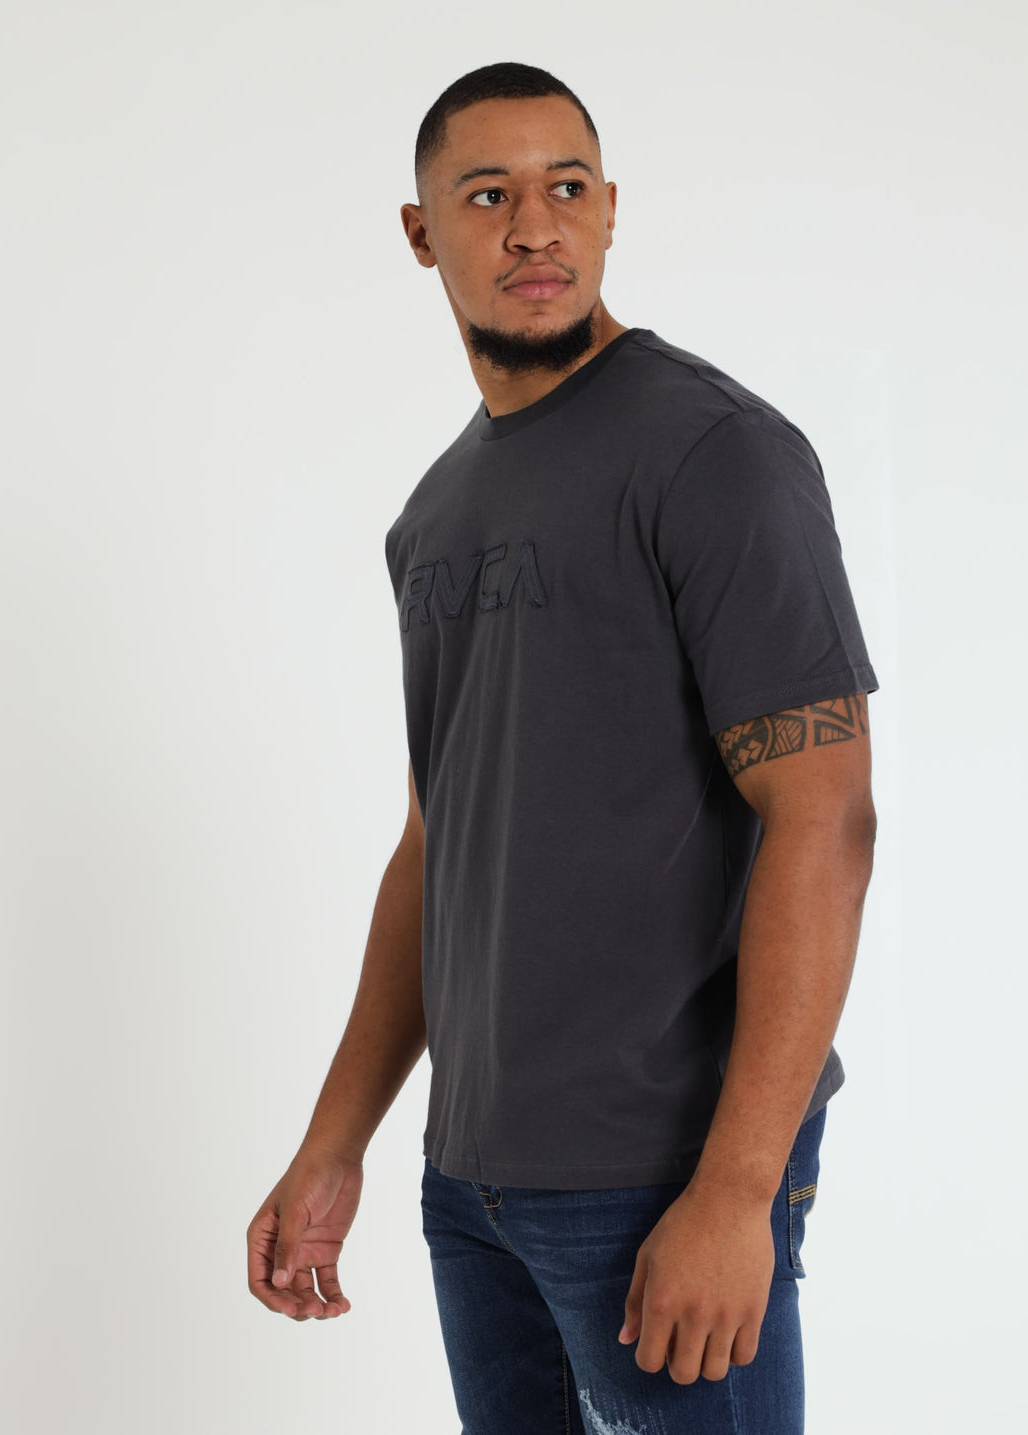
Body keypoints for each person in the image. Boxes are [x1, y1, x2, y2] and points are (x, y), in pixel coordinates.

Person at [247, 60, 880, 1435]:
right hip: (474, 1182)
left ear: (608, 210)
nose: (535, 226)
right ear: (421, 232)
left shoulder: (713, 453)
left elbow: (825, 817)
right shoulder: (434, 513)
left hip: (662, 1172)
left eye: (567, 187)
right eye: (488, 195)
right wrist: (336, 1142)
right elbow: (436, 844)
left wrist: (737, 1188)